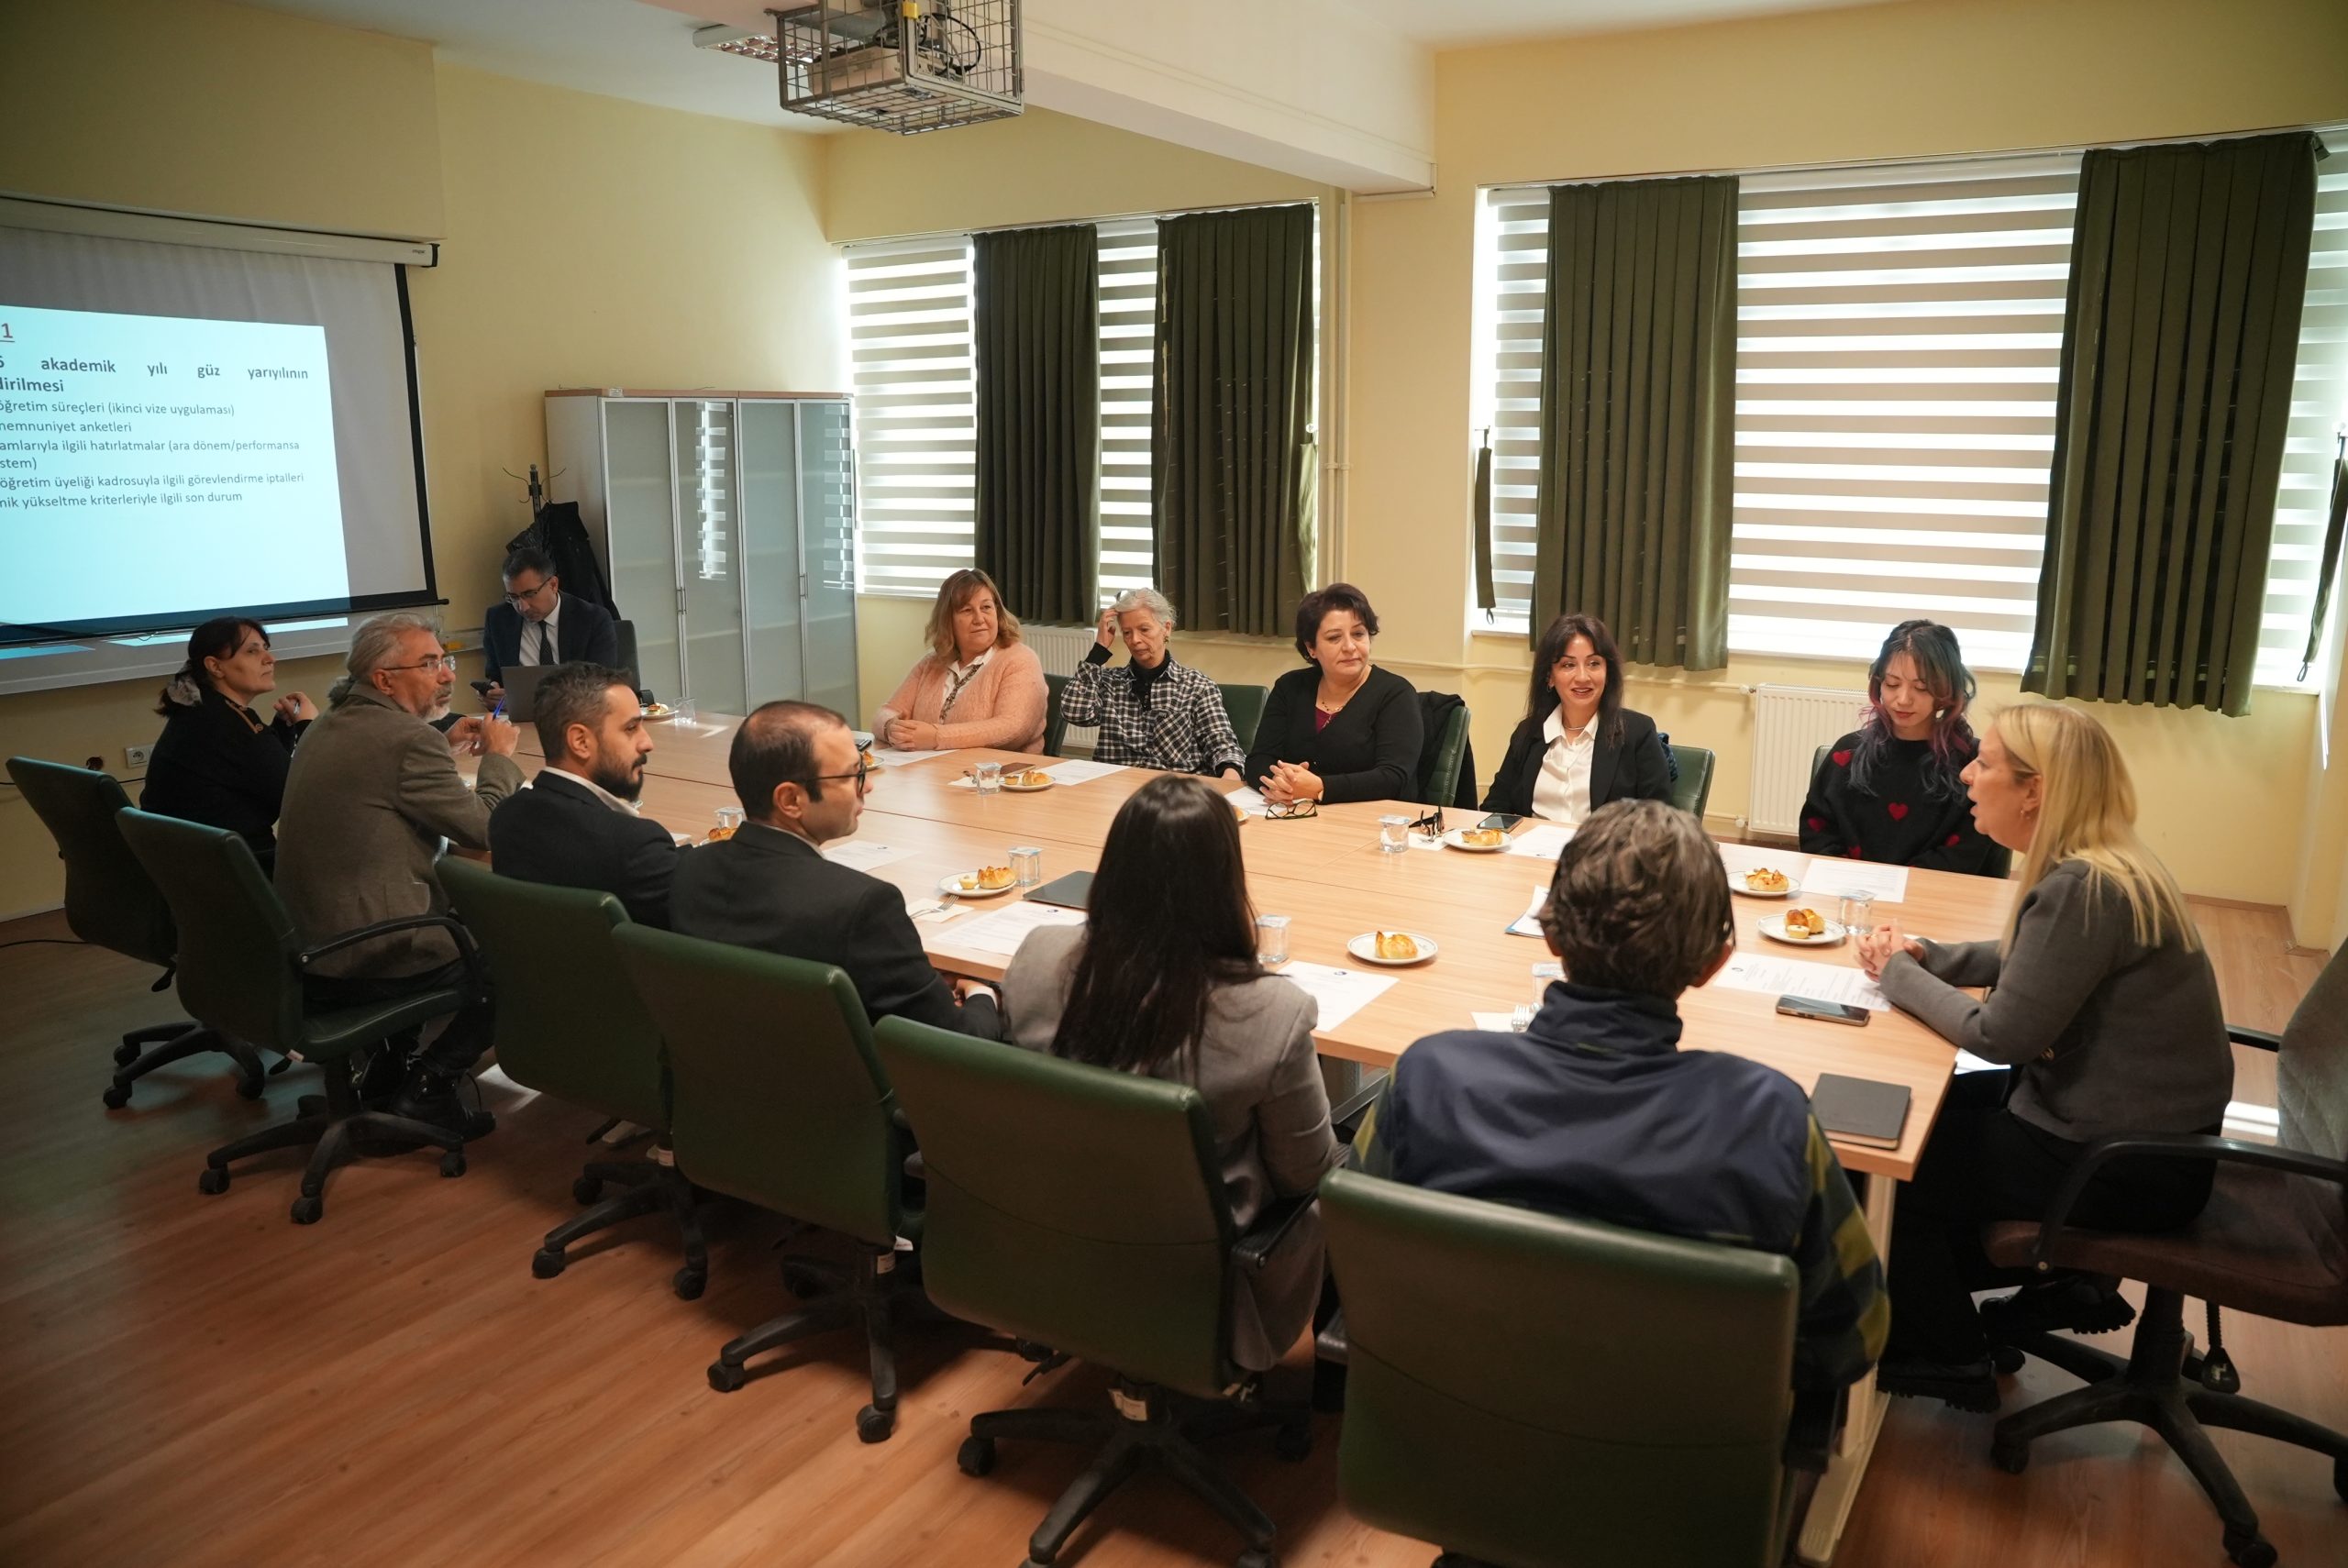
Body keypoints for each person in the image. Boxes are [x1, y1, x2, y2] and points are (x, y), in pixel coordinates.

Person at [1350, 799, 1887, 1408]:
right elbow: (1854, 1338)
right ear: (1714, 963)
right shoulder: (1770, 1120)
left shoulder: (1427, 1079)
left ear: (1550, 934)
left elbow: (1357, 1257)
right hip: (1677, 1454)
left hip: (1450, 1436)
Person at [1856, 702, 2231, 1410]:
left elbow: (2000, 1037)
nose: (1968, 774)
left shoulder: (2084, 889)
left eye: (1986, 763)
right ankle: (2010, 1298)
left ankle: (1952, 1356)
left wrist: (1899, 977)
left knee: (1890, 1165)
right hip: (2146, 1137)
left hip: (2120, 1160)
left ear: (2035, 790)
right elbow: (2032, 958)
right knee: (1915, 1118)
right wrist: (1931, 957)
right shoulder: (2107, 863)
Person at [1001, 773, 1338, 1369]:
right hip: (1207, 1280)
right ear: (1227, 881)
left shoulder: (1035, 956)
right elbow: (1305, 1176)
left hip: (1050, 1237)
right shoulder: (1271, 1012)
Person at [275, 613, 524, 1136]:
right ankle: (431, 1087)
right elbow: (487, 827)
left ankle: (386, 1068)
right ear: (384, 679)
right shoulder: (407, 742)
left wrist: (438, 739)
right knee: (522, 950)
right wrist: (499, 759)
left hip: (307, 940)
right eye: (430, 664)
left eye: (445, 660)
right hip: (367, 949)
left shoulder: (328, 723)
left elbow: (379, 773)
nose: (448, 675)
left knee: (465, 913)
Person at [670, 701, 1002, 1038]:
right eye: (852, 775)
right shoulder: (862, 905)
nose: (867, 786)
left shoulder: (690, 870)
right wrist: (983, 993)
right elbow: (958, 1041)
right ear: (791, 800)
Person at [489, 662, 687, 929]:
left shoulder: (506, 817)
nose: (647, 742)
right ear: (581, 742)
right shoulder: (635, 846)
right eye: (631, 728)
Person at [1801, 620, 2001, 875]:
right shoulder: (1847, 752)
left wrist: (1898, 885)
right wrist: (1858, 883)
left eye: (1921, 687)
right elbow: (1817, 832)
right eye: (1892, 684)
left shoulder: (1972, 763)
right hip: (1848, 888)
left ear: (1946, 690)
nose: (1903, 699)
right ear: (1879, 683)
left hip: (1934, 893)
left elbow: (1967, 852)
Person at [141, 617, 317, 872]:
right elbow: (303, 798)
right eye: (252, 651)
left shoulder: (202, 710)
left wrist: (285, 726)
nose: (270, 659)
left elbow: (258, 769)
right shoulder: (228, 723)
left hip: (188, 868)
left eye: (266, 648)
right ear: (215, 666)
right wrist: (308, 725)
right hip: (239, 870)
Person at [1481, 613, 1672, 823]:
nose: (1582, 677)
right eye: (1568, 665)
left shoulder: (1638, 732)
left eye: (1594, 663)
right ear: (1550, 676)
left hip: (1602, 844)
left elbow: (1660, 821)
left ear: (1608, 672)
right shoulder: (1528, 733)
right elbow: (1494, 807)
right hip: (1531, 843)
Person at [1244, 582, 1422, 806]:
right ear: (1311, 648)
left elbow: (1393, 777)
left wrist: (1321, 788)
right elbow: (1258, 759)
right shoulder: (1290, 687)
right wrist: (1283, 784)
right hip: (1293, 811)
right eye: (1334, 638)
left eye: (1358, 634)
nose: (1350, 647)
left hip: (1371, 816)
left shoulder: (1396, 693)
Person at [1060, 589, 1246, 778]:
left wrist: (1230, 774)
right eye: (1127, 633)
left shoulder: (1197, 686)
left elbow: (1222, 744)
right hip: (1115, 785)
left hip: (1173, 787)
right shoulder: (1109, 682)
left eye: (1144, 630)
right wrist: (1098, 651)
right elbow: (1074, 713)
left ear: (1166, 628)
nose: (1135, 640)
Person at [871, 568, 1047, 753]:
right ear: (948, 620)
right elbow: (886, 712)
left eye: (986, 607)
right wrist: (891, 728)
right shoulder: (931, 663)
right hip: (934, 768)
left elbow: (1012, 728)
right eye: (967, 610)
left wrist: (936, 737)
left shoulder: (1020, 659)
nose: (979, 619)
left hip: (1001, 769)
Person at [480, 545, 620, 703]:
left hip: (577, 711)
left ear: (553, 585)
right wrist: (492, 691)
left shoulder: (593, 619)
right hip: (520, 714)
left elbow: (599, 683)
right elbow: (495, 676)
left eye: (529, 594)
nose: (522, 607)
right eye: (513, 597)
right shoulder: (498, 620)